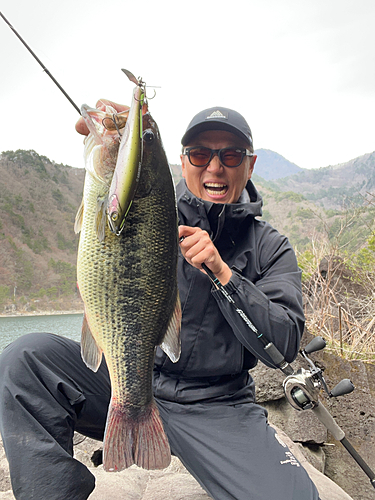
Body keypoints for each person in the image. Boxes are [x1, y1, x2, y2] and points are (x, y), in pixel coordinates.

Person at [0, 103, 321, 500]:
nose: (214, 168)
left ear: (250, 165)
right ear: (183, 161)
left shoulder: (271, 248)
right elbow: (120, 172)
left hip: (216, 405)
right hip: (130, 377)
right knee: (24, 361)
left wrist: (225, 274)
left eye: (230, 155)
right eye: (201, 154)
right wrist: (120, 134)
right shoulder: (149, 205)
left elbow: (284, 344)